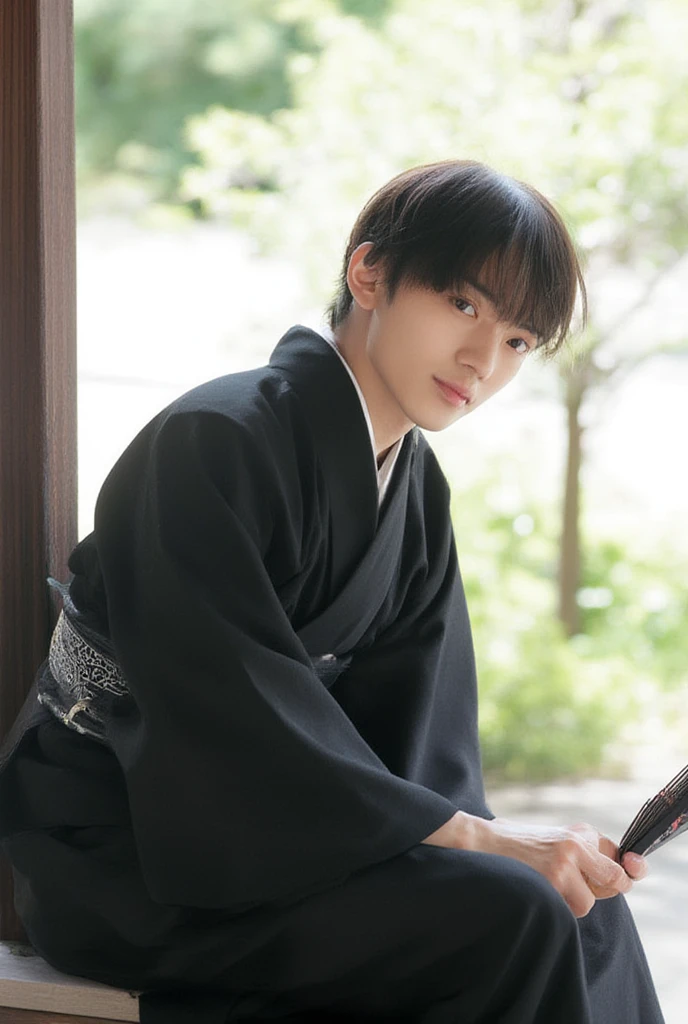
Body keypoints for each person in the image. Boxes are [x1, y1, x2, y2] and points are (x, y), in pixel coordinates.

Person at [0, 160, 664, 1023]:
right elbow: (230, 717)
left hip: (280, 836)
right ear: (370, 272)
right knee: (513, 915)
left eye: (518, 341)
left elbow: (426, 743)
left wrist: (525, 848)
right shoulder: (214, 442)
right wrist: (485, 847)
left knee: (583, 911)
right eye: (465, 305)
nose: (482, 360)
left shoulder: (415, 495)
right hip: (132, 851)